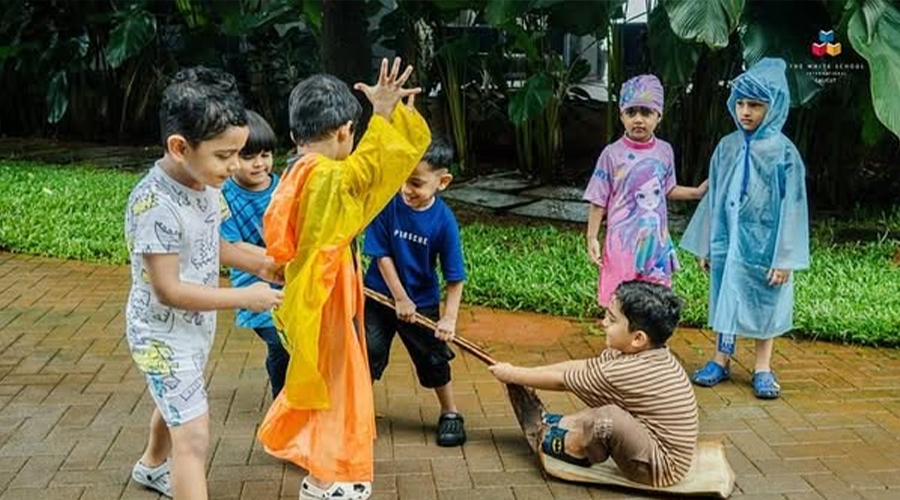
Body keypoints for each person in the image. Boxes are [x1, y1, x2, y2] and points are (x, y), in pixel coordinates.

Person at [256, 58, 430, 500]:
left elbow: (368, 171)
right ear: (343, 132)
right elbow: (368, 171)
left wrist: (388, 117)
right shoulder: (324, 176)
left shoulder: (299, 171)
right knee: (335, 385)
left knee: (330, 381)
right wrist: (385, 115)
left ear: (295, 135)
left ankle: (327, 474)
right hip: (324, 298)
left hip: (316, 294)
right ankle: (324, 481)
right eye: (354, 135)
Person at [124, 67, 283, 499]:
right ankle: (169, 471)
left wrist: (264, 264)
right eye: (224, 155)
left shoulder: (207, 183)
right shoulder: (154, 204)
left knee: (176, 401)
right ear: (180, 147)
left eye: (238, 153)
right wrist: (244, 296)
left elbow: (213, 244)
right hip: (160, 335)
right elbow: (169, 289)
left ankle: (150, 465)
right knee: (193, 437)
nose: (235, 166)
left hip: (193, 328)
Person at [681, 58, 810, 400]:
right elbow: (714, 198)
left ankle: (762, 367)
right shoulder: (728, 146)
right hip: (728, 239)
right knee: (726, 296)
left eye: (755, 105)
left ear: (774, 106)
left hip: (766, 244)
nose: (745, 112)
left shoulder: (784, 153)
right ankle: (720, 359)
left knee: (766, 301)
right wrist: (707, 244)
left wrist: (785, 258)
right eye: (740, 103)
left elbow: (794, 209)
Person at [489, 280, 698, 487]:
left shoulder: (627, 371)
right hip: (649, 438)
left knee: (609, 418)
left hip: (662, 468)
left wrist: (513, 375)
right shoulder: (649, 354)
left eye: (612, 319)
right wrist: (524, 372)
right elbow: (581, 367)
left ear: (638, 338)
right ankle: (568, 425)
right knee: (603, 407)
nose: (603, 322)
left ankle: (576, 449)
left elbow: (562, 381)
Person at [363, 137, 467, 447]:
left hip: (421, 302)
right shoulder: (388, 204)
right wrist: (399, 298)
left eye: (416, 183)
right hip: (380, 297)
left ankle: (450, 413)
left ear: (442, 182)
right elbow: (381, 256)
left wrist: (448, 318)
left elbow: (455, 278)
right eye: (402, 179)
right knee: (368, 351)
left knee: (434, 358)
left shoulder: (444, 222)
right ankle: (357, 411)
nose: (406, 189)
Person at [584, 74, 708, 308]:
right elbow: (598, 199)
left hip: (656, 245)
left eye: (646, 112)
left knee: (655, 302)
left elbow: (667, 189)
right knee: (620, 299)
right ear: (621, 116)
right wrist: (592, 237)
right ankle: (617, 332)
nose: (638, 119)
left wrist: (697, 192)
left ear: (659, 116)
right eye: (631, 112)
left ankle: (648, 333)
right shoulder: (611, 154)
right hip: (622, 244)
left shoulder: (665, 151)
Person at [220, 110, 289, 399]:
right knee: (279, 340)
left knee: (297, 340)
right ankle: (280, 397)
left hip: (289, 276)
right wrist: (279, 258)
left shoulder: (284, 186)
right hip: (252, 281)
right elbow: (233, 245)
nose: (259, 163)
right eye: (249, 157)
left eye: (265, 154)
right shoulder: (224, 195)